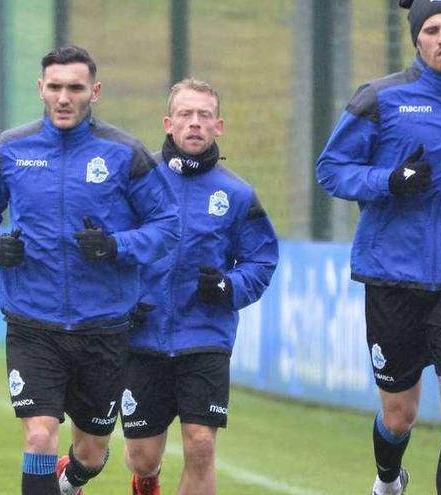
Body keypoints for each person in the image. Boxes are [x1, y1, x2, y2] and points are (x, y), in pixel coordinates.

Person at [316, 1, 441, 493]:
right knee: (399, 414)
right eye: (432, 29)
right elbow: (332, 170)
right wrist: (390, 179)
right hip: (393, 274)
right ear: (417, 39)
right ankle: (389, 478)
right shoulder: (381, 99)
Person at [0, 45, 180, 495]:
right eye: (55, 87)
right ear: (40, 89)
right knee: (39, 433)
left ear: (93, 92)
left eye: (75, 88)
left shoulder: (124, 153)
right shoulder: (11, 149)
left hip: (104, 327)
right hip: (31, 321)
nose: (64, 97)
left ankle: (72, 479)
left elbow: (168, 226)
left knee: (92, 450)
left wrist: (117, 246)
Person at [121, 79, 279, 495]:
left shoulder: (238, 194)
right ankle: (146, 480)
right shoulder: (137, 181)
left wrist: (230, 288)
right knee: (143, 456)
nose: (195, 124)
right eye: (186, 115)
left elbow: (261, 260)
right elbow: (110, 246)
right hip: (142, 336)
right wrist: (123, 300)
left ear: (219, 126)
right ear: (168, 123)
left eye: (204, 115)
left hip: (205, 335)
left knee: (202, 444)